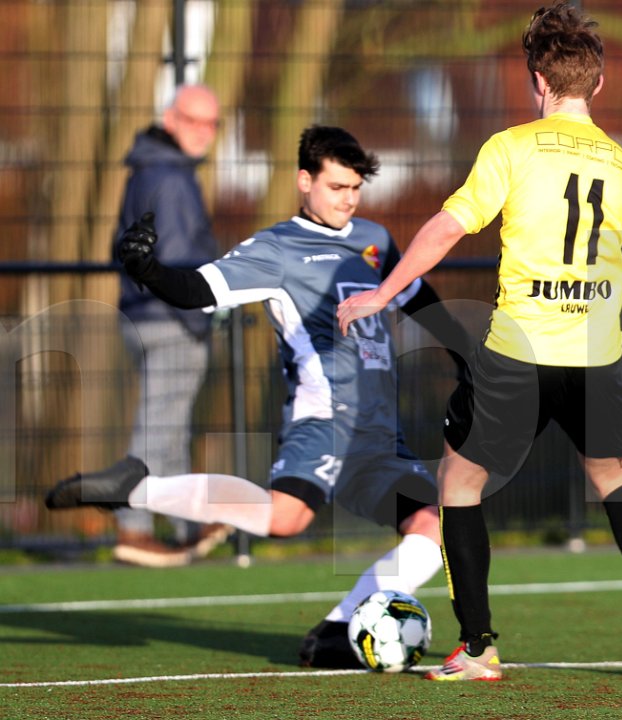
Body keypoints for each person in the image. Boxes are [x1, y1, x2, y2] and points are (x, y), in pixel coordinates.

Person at [337, 3, 622, 682]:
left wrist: (382, 292)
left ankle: (478, 648)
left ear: (537, 81)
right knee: (614, 478)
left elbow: (447, 226)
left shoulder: (511, 148)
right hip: (595, 360)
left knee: (458, 483)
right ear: (597, 83)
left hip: (517, 355)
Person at [46, 125, 471, 669]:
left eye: (355, 188)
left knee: (431, 528)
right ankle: (138, 488)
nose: (348, 199)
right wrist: (148, 270)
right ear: (304, 181)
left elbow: (417, 298)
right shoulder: (276, 249)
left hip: (380, 434)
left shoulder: (374, 239)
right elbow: (199, 290)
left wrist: (465, 354)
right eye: (336, 187)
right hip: (325, 421)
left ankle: (338, 631)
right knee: (284, 519)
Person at [113, 83, 232, 568]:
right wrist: (203, 313)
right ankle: (134, 528)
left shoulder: (146, 170)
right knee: (159, 426)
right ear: (169, 118)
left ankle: (187, 525)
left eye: (212, 122)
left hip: (142, 314)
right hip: (171, 318)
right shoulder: (173, 178)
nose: (203, 131)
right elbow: (181, 258)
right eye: (193, 120)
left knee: (170, 425)